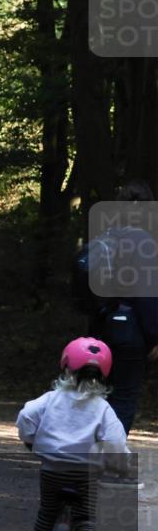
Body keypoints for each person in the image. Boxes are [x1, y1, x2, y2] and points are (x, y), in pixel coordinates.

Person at [16, 337, 130, 531]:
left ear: (66, 366)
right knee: (85, 516)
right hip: (86, 471)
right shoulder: (102, 408)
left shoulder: (50, 399)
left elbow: (26, 416)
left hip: (52, 468)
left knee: (47, 510)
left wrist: (30, 440)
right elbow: (116, 441)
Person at [89, 180, 158, 488]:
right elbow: (146, 295)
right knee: (125, 397)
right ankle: (113, 466)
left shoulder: (105, 239)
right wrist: (155, 336)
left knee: (101, 393)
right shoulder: (145, 244)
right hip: (131, 330)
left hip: (101, 329)